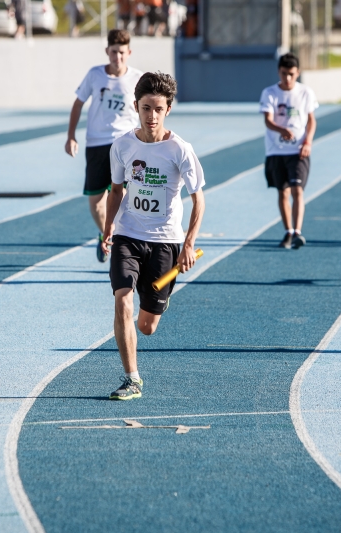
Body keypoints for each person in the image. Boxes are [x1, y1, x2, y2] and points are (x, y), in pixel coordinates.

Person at [101, 72, 205, 400]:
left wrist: (188, 244)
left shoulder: (180, 150)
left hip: (165, 242)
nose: (152, 116)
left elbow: (199, 200)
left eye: (158, 109)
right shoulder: (122, 146)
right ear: (136, 106)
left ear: (168, 109)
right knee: (122, 298)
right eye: (146, 108)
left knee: (147, 326)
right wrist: (108, 226)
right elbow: (116, 190)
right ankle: (131, 378)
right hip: (128, 235)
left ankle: (159, 296)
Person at [65, 29, 143, 263]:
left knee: (125, 196)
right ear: (107, 51)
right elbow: (78, 104)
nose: (117, 57)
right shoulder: (95, 75)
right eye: (113, 52)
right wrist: (71, 136)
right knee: (96, 203)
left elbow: (146, 109)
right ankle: (106, 233)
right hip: (97, 144)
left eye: (122, 52)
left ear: (129, 53)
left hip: (126, 144)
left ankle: (124, 240)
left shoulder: (137, 78)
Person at [259, 53, 318, 249]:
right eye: (284, 74)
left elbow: (311, 120)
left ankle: (298, 232)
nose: (288, 78)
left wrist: (308, 141)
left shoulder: (306, 93)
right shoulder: (269, 93)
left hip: (298, 151)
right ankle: (288, 232)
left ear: (298, 73)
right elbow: (268, 120)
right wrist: (281, 129)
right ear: (279, 72)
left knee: (297, 190)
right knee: (283, 192)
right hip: (276, 151)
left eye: (291, 74)